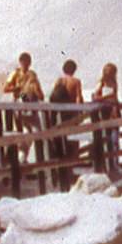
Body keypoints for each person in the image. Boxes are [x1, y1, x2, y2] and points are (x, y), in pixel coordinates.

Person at [47, 58, 84, 188]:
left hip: (60, 115)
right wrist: (82, 113)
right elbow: (79, 98)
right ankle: (70, 168)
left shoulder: (59, 81)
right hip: (72, 113)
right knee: (72, 141)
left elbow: (52, 97)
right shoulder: (76, 81)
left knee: (61, 141)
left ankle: (61, 169)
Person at [92, 62, 121, 177]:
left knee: (114, 138)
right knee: (106, 137)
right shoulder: (101, 83)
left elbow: (115, 97)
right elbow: (96, 97)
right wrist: (107, 97)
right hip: (104, 111)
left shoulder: (114, 83)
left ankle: (114, 163)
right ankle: (107, 164)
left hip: (113, 111)